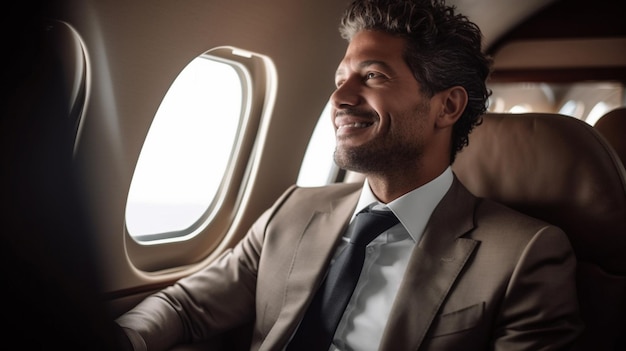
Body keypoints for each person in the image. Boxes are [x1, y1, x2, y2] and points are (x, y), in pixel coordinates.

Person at [116, 0, 583, 350]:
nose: (340, 98)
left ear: (448, 106)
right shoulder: (293, 210)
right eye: (341, 78)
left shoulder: (524, 254)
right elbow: (184, 306)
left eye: (373, 76)